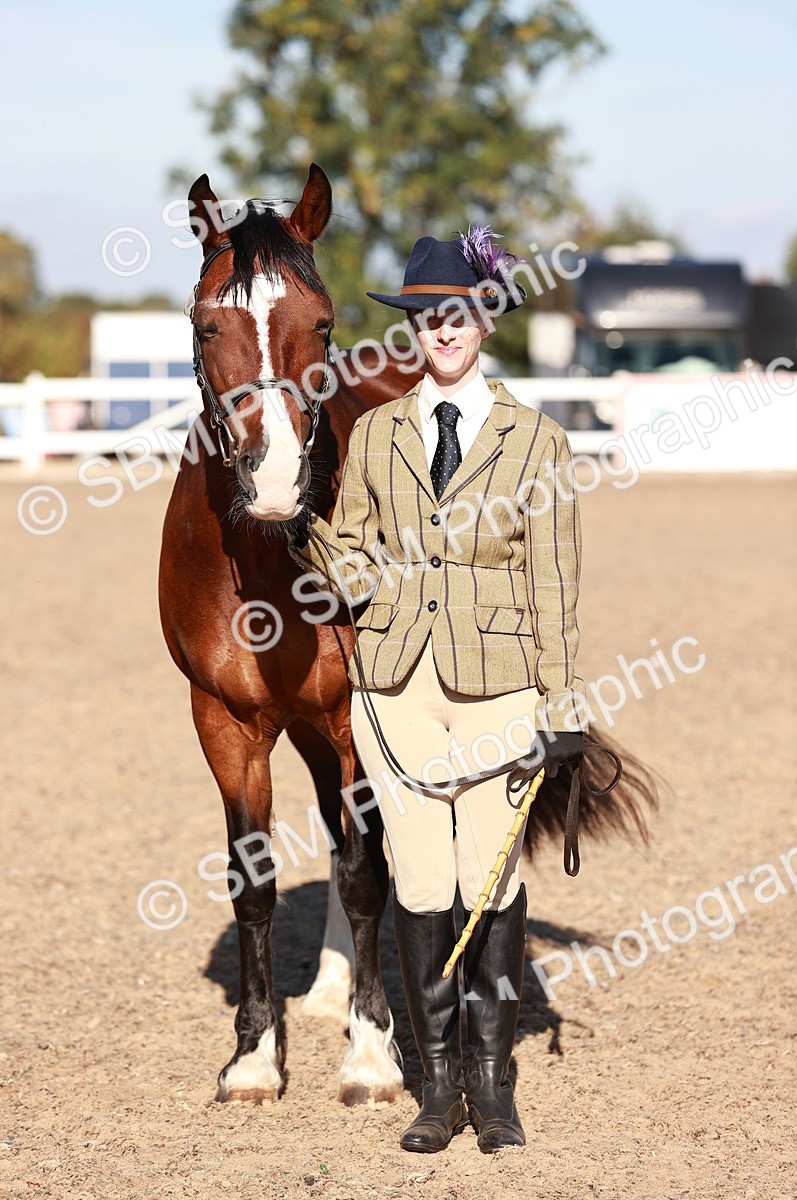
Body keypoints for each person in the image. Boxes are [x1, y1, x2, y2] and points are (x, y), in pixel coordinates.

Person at [288, 229, 587, 1153]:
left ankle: (494, 1089)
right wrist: (301, 521)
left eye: (455, 313)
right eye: (424, 316)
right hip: (397, 687)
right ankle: (438, 1084)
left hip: (498, 689)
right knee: (418, 880)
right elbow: (354, 564)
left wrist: (564, 704)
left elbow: (555, 583)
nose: (440, 330)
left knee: (486, 881)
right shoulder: (376, 434)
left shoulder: (538, 442)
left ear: (484, 317)